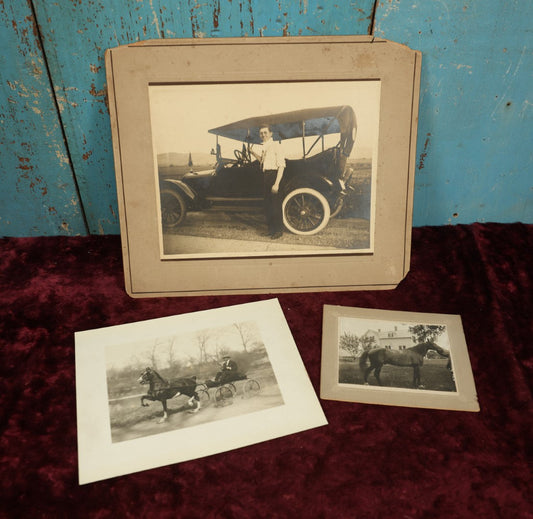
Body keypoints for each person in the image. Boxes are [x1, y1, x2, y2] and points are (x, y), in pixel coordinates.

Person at [250, 125, 286, 239]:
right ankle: (271, 230)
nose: (263, 135)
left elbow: (281, 166)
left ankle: (279, 231)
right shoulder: (265, 147)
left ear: (271, 134)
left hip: (274, 176)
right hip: (266, 176)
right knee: (268, 205)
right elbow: (263, 162)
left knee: (275, 205)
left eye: (265, 133)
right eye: (261, 133)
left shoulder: (276, 146)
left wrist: (276, 184)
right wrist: (252, 153)